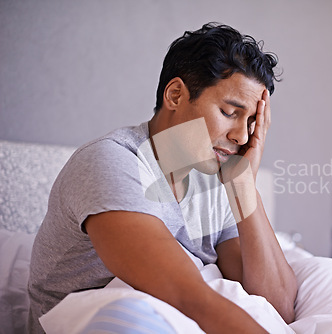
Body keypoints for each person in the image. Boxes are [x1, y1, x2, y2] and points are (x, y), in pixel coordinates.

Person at [28, 22, 297, 333]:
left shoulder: (214, 184)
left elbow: (279, 308)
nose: (240, 136)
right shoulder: (112, 163)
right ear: (175, 94)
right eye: (229, 112)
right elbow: (191, 298)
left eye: (251, 122)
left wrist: (244, 186)